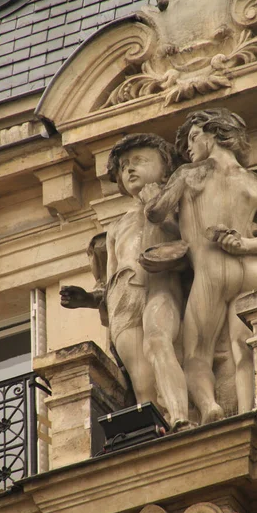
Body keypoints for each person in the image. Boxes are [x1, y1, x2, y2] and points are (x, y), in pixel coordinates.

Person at [145, 108, 257, 424]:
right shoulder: (255, 184)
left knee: (195, 356)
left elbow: (154, 213)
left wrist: (152, 196)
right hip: (253, 270)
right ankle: (248, 411)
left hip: (212, 274)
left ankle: (209, 408)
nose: (189, 148)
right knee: (243, 346)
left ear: (216, 133)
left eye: (193, 137)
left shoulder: (190, 174)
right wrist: (245, 245)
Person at [60, 133, 191, 431]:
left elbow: (191, 241)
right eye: (124, 166)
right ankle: (156, 433)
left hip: (158, 285)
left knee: (161, 342)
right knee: (141, 379)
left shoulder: (174, 205)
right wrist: (89, 298)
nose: (130, 169)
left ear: (166, 167)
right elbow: (108, 279)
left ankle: (180, 416)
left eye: (140, 161)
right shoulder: (117, 227)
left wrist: (155, 209)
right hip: (122, 301)